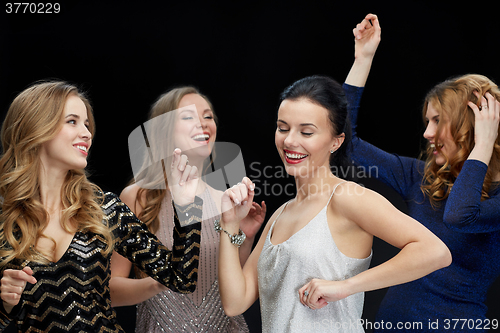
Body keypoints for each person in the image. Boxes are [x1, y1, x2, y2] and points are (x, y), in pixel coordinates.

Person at [216, 69, 452, 331]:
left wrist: (345, 287)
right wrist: (230, 224)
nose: (290, 140)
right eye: (283, 128)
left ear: (336, 142)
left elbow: (436, 252)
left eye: (307, 132)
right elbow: (235, 303)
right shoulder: (279, 214)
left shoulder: (347, 198)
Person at [0, 81, 203, 333]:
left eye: (87, 124)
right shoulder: (5, 219)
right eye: (72, 121)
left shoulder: (105, 208)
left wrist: (187, 209)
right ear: (36, 126)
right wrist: (5, 304)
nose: (87, 133)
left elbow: (181, 279)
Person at [345, 14, 500, 331]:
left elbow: (459, 215)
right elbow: (346, 144)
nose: (427, 133)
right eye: (427, 121)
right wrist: (363, 59)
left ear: (470, 127)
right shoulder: (419, 175)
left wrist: (482, 146)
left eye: (437, 121)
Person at [109, 87, 265, 332]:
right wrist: (163, 281)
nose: (203, 124)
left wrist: (245, 237)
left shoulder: (225, 199)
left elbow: (229, 291)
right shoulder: (138, 197)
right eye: (188, 116)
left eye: (208, 116)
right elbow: (110, 290)